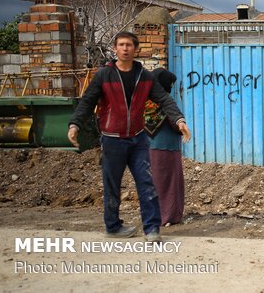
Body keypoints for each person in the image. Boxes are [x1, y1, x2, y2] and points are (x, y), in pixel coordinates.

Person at [68, 31, 191, 243]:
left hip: (138, 138)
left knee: (146, 182)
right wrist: (75, 124)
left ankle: (152, 229)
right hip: (112, 138)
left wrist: (179, 120)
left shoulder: (144, 76)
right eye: (121, 45)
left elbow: (163, 99)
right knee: (112, 185)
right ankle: (113, 226)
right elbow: (88, 101)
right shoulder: (103, 75)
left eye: (129, 45)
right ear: (115, 49)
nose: (125, 49)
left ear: (136, 50)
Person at [145, 68, 185, 226]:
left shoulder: (146, 104)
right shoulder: (165, 102)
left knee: (155, 183)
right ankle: (168, 216)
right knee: (169, 184)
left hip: (150, 149)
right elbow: (175, 124)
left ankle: (155, 215)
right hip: (168, 149)